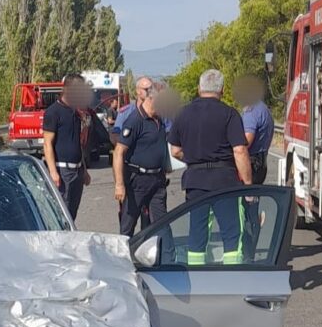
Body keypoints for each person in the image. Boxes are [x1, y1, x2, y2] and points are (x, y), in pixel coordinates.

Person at [168, 69, 252, 265]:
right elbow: (239, 151)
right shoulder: (229, 114)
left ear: (199, 89)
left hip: (195, 181)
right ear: (222, 90)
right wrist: (248, 183)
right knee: (231, 233)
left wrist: (195, 159)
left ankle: (197, 277)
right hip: (225, 181)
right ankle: (233, 278)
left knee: (197, 233)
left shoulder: (182, 113)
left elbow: (175, 150)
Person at [114, 82, 171, 236]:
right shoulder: (135, 121)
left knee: (162, 224)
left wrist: (166, 163)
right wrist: (119, 184)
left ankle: (165, 257)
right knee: (128, 226)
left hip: (157, 179)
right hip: (137, 181)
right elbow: (118, 152)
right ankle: (123, 257)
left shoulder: (159, 120)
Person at [42, 74, 95, 220]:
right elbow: (47, 144)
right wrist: (53, 172)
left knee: (72, 213)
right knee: (62, 214)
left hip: (77, 171)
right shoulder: (53, 112)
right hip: (62, 171)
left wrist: (83, 170)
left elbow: (78, 143)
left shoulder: (77, 112)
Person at [234, 76, 275, 261]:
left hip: (250, 163)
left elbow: (246, 141)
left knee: (246, 209)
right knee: (252, 206)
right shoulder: (264, 109)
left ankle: (248, 253)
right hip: (261, 162)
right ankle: (251, 246)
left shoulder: (251, 111)